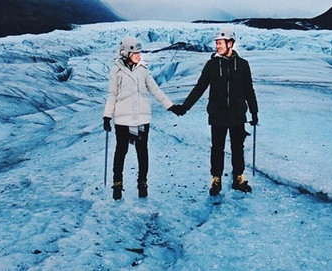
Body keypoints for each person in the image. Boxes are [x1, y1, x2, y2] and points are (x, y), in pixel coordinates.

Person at [173, 27, 259, 195]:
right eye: (216, 43)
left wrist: (254, 112)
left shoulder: (242, 65)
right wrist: (185, 107)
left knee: (237, 148)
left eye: (220, 43)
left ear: (230, 43)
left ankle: (238, 177)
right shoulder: (211, 65)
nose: (217, 46)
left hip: (237, 114)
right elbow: (200, 88)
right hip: (217, 114)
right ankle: (216, 179)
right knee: (217, 148)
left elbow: (249, 90)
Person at [103, 36, 180, 200]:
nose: (139, 55)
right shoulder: (116, 71)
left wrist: (170, 106)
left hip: (141, 119)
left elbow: (155, 90)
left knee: (142, 151)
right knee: (121, 151)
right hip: (123, 119)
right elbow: (112, 95)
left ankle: (142, 183)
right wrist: (106, 116)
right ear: (125, 53)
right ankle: (117, 184)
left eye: (139, 52)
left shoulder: (143, 70)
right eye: (135, 52)